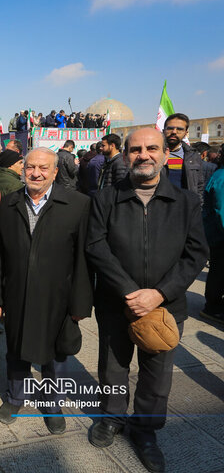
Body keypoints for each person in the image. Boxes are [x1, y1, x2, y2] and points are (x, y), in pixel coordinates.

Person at [86, 127, 208, 473]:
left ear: (164, 153)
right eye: (136, 149)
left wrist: (159, 294)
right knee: (112, 366)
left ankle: (146, 430)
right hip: (115, 303)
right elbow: (96, 247)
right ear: (125, 156)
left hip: (166, 307)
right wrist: (129, 291)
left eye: (151, 148)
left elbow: (196, 253)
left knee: (157, 375)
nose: (144, 155)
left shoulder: (185, 201)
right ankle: (111, 418)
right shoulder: (106, 199)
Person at [0, 147, 92, 433]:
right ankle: (15, 396)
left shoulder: (77, 204)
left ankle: (52, 403)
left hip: (57, 296)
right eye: (31, 167)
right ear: (23, 169)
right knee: (16, 348)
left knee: (56, 353)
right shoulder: (8, 203)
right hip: (16, 292)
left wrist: (80, 304)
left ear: (55, 172)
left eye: (43, 168)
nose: (36, 173)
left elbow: (83, 260)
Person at [201, 144, 224, 325]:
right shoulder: (221, 177)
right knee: (218, 271)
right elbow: (221, 211)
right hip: (219, 235)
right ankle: (213, 307)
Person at [163, 113, 204, 202]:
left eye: (179, 129)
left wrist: (197, 207)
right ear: (163, 130)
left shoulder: (193, 156)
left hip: (185, 207)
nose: (174, 132)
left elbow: (199, 185)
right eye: (170, 128)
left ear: (186, 133)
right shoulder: (152, 154)